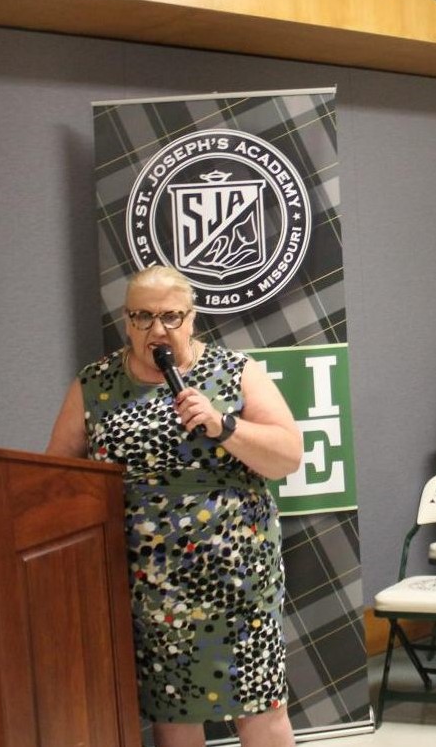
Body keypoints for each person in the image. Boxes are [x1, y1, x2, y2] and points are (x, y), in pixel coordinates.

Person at [47, 265, 303, 747]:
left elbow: (287, 455)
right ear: (127, 321)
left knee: (258, 708)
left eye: (169, 316)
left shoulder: (234, 371)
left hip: (237, 579)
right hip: (149, 586)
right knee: (173, 709)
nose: (156, 329)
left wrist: (224, 425)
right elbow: (56, 475)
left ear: (191, 319)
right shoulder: (94, 384)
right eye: (142, 317)